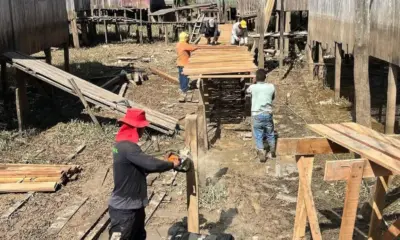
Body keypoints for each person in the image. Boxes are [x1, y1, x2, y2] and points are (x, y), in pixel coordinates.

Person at [108, 108, 181, 240]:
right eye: (142, 128)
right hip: (125, 209)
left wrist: (163, 162)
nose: (143, 131)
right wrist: (171, 164)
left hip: (132, 205)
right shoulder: (128, 148)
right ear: (136, 128)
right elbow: (150, 164)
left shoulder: (120, 146)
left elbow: (144, 166)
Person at [246, 69, 276, 162]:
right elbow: (273, 97)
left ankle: (262, 153)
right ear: (265, 77)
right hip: (267, 113)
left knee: (258, 135)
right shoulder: (271, 86)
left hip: (257, 114)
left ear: (256, 78)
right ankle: (272, 152)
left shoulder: (253, 87)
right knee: (270, 134)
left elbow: (247, 92)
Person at [176, 32, 198, 102]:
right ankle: (184, 89)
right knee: (185, 77)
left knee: (181, 76)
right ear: (185, 38)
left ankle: (182, 88)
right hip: (184, 63)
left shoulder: (178, 44)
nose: (188, 39)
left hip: (180, 63)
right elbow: (192, 48)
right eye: (187, 38)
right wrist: (198, 46)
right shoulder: (184, 44)